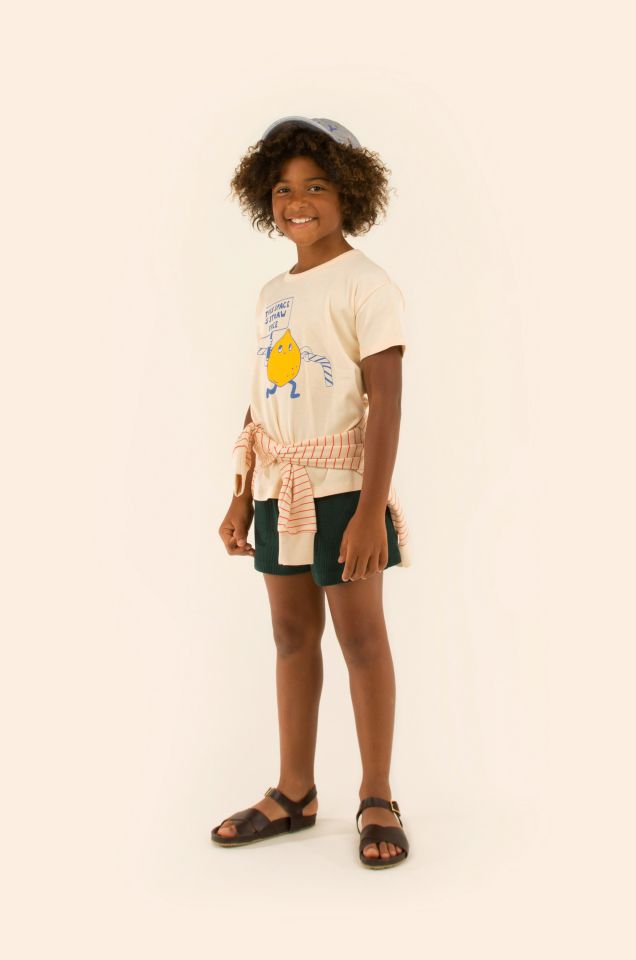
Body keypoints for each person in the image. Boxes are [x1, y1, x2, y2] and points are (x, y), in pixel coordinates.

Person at [211, 116, 411, 868]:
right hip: (278, 485)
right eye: (283, 189)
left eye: (316, 186)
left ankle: (378, 795)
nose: (298, 202)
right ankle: (295, 791)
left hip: (343, 489)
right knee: (291, 636)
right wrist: (241, 493)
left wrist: (368, 512)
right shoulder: (272, 292)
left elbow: (386, 404)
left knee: (361, 640)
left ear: (348, 192)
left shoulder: (368, 285)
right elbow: (263, 397)